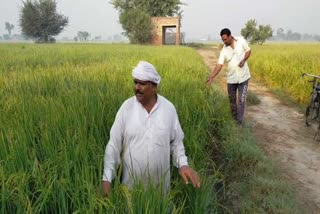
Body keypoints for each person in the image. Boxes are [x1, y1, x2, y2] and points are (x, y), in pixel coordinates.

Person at [102, 61, 200, 197]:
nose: (137, 87)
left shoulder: (168, 109)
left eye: (142, 84)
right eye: (135, 82)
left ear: (154, 86)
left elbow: (176, 142)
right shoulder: (126, 108)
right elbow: (114, 145)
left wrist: (183, 164)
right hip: (130, 193)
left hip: (160, 192)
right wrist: (106, 178)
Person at [206, 28, 251, 125]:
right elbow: (219, 65)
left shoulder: (241, 41)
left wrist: (244, 60)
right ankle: (234, 120)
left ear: (230, 36)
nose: (224, 41)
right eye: (222, 39)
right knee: (232, 102)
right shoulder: (224, 50)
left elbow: (248, 51)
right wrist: (211, 77)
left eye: (225, 39)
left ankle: (239, 123)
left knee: (241, 101)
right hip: (231, 79)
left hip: (244, 77)